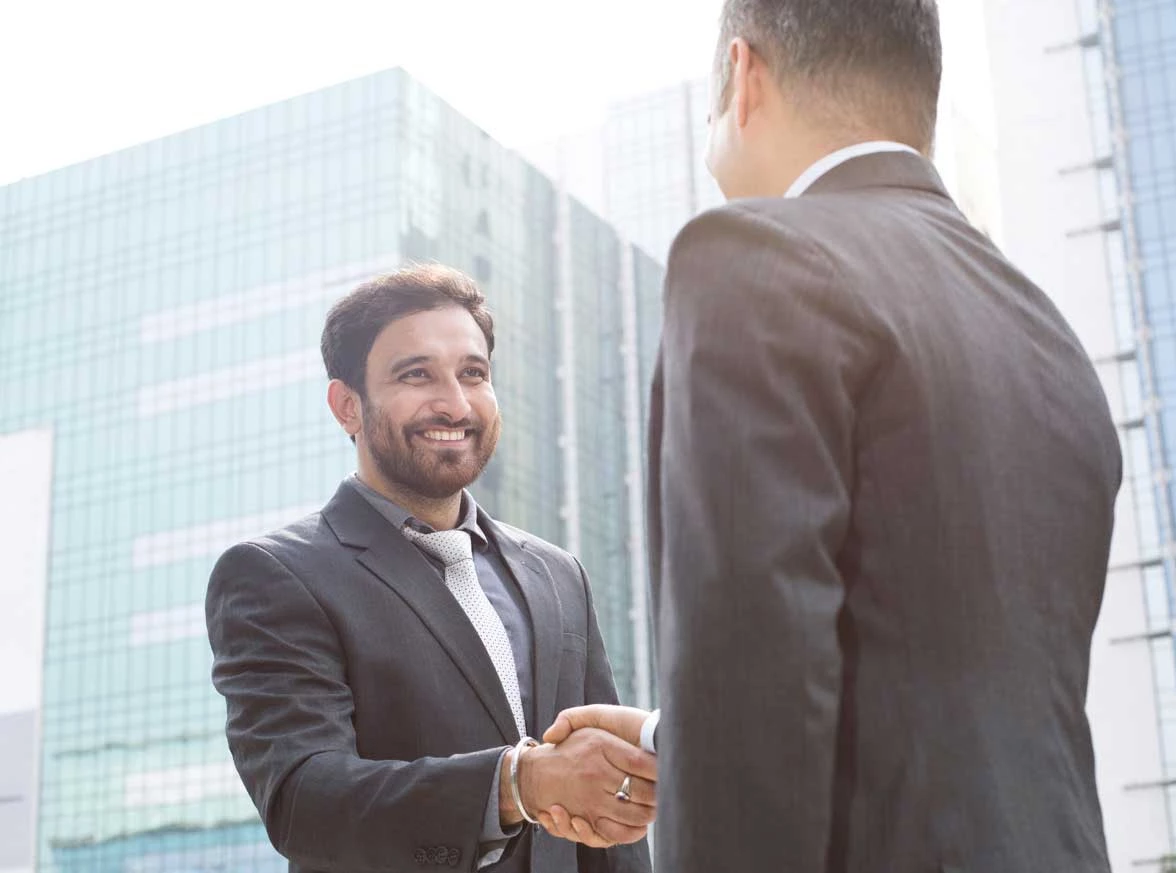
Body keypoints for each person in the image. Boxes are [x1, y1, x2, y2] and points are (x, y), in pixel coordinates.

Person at [538, 1, 1123, 871]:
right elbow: (942, 680)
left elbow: (752, 682)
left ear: (742, 77)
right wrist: (677, 735)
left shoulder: (749, 257)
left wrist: (712, 735)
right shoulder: (1046, 334)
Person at [205, 266, 655, 873]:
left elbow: (610, 802)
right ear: (347, 407)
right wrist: (517, 783)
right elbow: (303, 799)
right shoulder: (274, 574)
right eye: (416, 375)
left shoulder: (557, 572)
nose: (455, 402)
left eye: (474, 373)